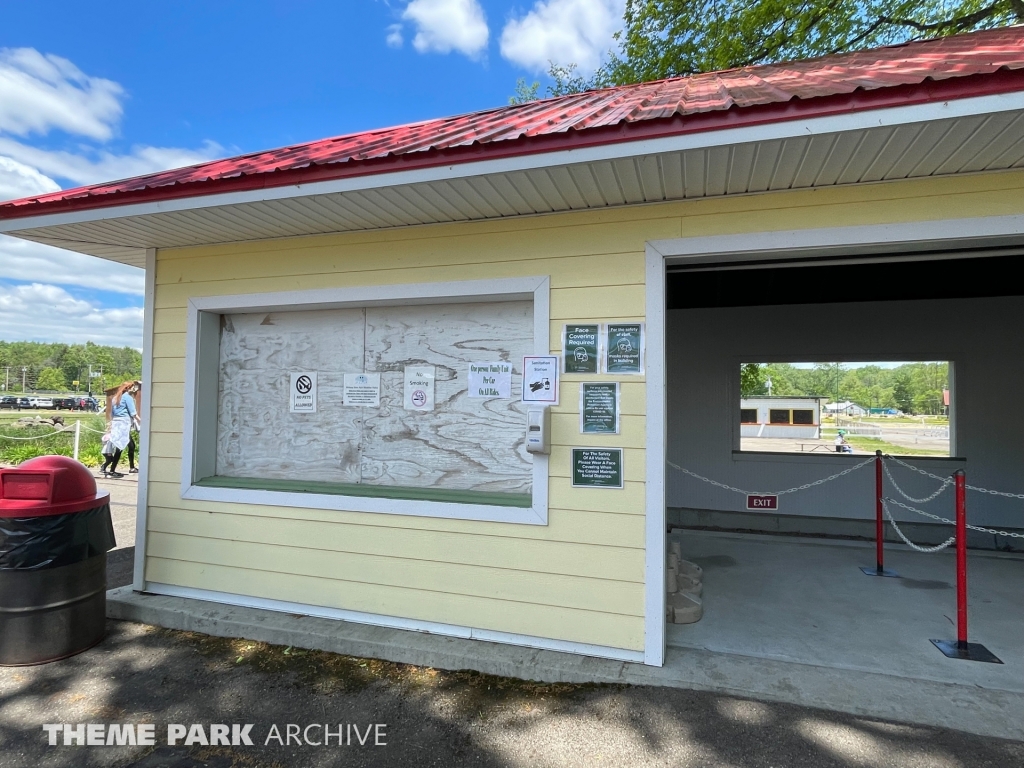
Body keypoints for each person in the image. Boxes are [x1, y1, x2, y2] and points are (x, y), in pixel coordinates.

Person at [106, 381, 141, 478]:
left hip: (116, 423)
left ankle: (132, 467)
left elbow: (112, 414)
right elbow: (133, 413)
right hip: (124, 423)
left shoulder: (115, 398)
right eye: (133, 388)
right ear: (129, 388)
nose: (134, 389)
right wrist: (141, 421)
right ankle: (112, 471)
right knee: (120, 447)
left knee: (131, 445)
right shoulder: (127, 398)